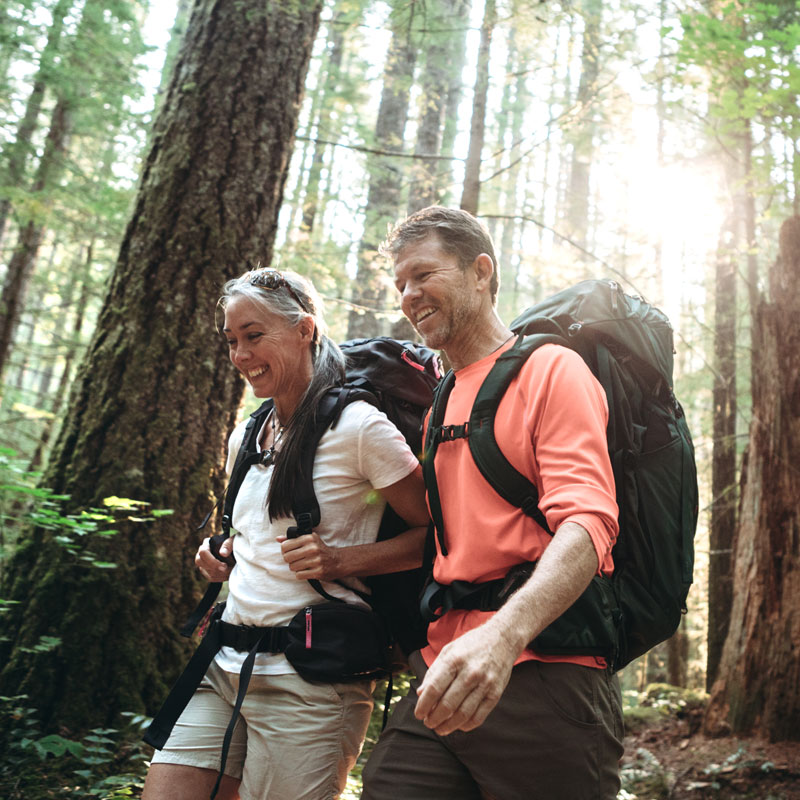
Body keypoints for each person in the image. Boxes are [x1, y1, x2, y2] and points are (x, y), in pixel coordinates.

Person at [361, 206, 624, 800]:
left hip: (546, 673)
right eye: (400, 282)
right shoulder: (441, 401)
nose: (409, 294)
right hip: (444, 671)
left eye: (424, 274)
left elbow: (588, 522)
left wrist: (503, 637)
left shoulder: (551, 369)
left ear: (481, 271)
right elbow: (444, 540)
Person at [143, 267, 429, 800]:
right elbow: (254, 537)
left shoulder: (360, 428)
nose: (240, 355)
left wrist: (344, 561)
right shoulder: (247, 434)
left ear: (305, 330)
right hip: (222, 664)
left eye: (254, 335)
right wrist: (223, 555)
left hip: (312, 683)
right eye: (231, 341)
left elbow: (436, 536)